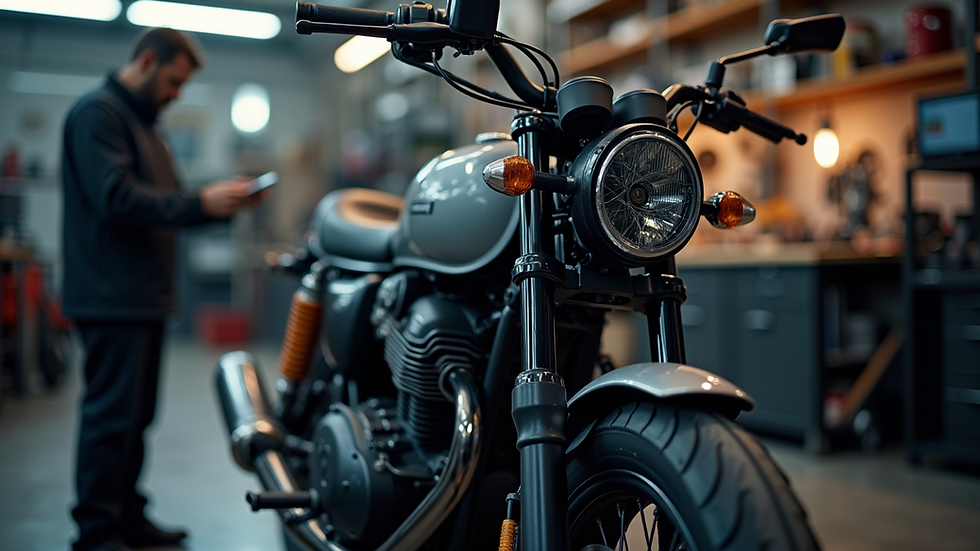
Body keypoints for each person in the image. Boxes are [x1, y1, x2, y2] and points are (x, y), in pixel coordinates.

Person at [61, 28, 267, 551]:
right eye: (174, 81)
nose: (177, 93)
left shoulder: (147, 125)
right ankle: (96, 532)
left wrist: (218, 204)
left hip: (144, 297)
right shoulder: (99, 114)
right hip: (111, 296)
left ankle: (127, 516)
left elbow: (165, 206)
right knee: (111, 420)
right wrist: (199, 203)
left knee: (136, 419)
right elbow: (116, 198)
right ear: (148, 60)